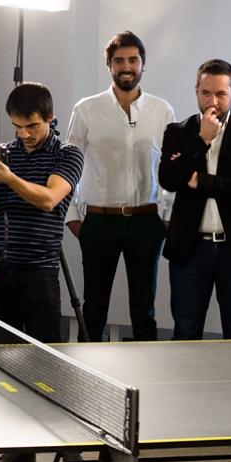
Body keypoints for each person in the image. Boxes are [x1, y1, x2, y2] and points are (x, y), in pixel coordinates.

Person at [0, 82, 88, 462]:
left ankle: (70, 448)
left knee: (50, 362)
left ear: (50, 118)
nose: (24, 134)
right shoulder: (3, 153)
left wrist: (7, 177)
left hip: (38, 269)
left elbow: (49, 200)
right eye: (18, 126)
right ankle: (19, 447)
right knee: (5, 364)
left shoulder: (67, 154)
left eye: (32, 126)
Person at [64, 31, 177, 342]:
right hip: (99, 221)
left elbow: (169, 167)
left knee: (144, 310)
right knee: (94, 307)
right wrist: (73, 218)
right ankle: (85, 376)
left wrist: (166, 216)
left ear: (142, 64)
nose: (126, 66)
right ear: (109, 65)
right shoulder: (86, 109)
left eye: (133, 60)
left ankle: (146, 379)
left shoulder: (162, 110)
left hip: (147, 221)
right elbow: (70, 164)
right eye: (119, 61)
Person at [160, 59, 231, 340]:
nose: (213, 100)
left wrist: (201, 181)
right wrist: (201, 140)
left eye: (221, 94)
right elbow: (169, 179)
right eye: (206, 92)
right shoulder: (178, 131)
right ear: (196, 90)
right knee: (185, 331)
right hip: (190, 247)